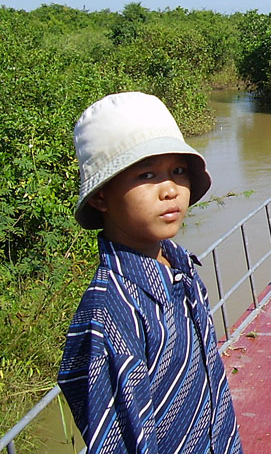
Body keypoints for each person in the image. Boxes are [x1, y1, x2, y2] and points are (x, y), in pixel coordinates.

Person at [58, 92, 242, 454]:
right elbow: (121, 440)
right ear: (100, 197)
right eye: (147, 174)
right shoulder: (111, 313)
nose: (171, 189)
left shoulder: (181, 267)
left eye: (177, 171)